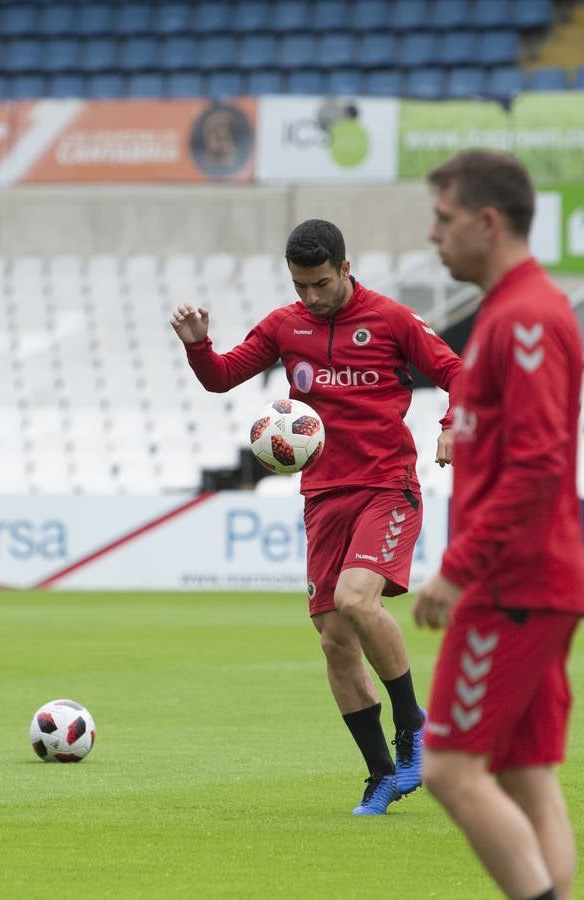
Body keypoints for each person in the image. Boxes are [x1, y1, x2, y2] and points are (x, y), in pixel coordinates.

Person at [170, 218, 461, 815]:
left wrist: (451, 427)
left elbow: (459, 372)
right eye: (301, 286)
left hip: (387, 485)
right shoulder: (286, 324)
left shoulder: (391, 320)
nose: (311, 296)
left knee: (358, 600)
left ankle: (414, 726)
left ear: (346, 270)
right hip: (323, 494)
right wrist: (198, 344)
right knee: (333, 639)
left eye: (322, 283)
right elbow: (223, 377)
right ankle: (382, 773)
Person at [413, 149, 584, 900]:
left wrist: (458, 568)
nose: (433, 236)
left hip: (512, 583)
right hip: (534, 579)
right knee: (527, 778)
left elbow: (538, 464)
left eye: (444, 219)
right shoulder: (511, 311)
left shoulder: (524, 318)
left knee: (450, 769)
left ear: (488, 222)